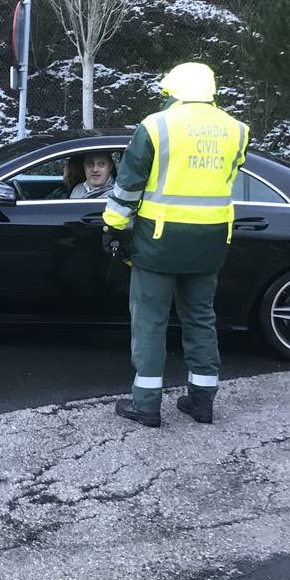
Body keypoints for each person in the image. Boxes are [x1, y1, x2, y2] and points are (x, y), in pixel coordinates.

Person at [102, 62, 249, 428]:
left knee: (150, 321)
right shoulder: (237, 130)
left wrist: (113, 226)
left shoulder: (156, 126)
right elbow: (227, 178)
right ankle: (201, 402)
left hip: (159, 241)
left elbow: (129, 186)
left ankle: (147, 405)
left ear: (173, 91)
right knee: (201, 318)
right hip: (212, 240)